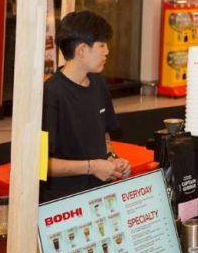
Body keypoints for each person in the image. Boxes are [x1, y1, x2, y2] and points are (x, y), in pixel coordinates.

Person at [41, 10, 131, 202]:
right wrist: (92, 167)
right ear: (81, 50)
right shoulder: (51, 93)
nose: (107, 51)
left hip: (100, 197)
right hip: (64, 201)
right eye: (102, 45)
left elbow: (104, 134)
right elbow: (42, 165)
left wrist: (112, 159)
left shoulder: (98, 82)